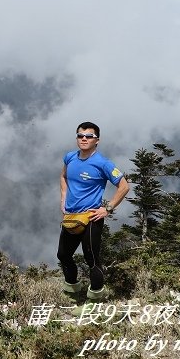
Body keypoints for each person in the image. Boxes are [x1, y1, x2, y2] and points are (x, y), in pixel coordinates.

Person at [58, 121, 129, 301]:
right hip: (72, 216)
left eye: (89, 136)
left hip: (91, 217)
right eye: (80, 135)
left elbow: (124, 186)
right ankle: (73, 291)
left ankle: (95, 299)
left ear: (97, 140)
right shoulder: (70, 157)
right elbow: (64, 176)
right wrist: (63, 197)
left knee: (92, 258)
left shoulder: (102, 163)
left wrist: (108, 209)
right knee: (64, 255)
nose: (84, 139)